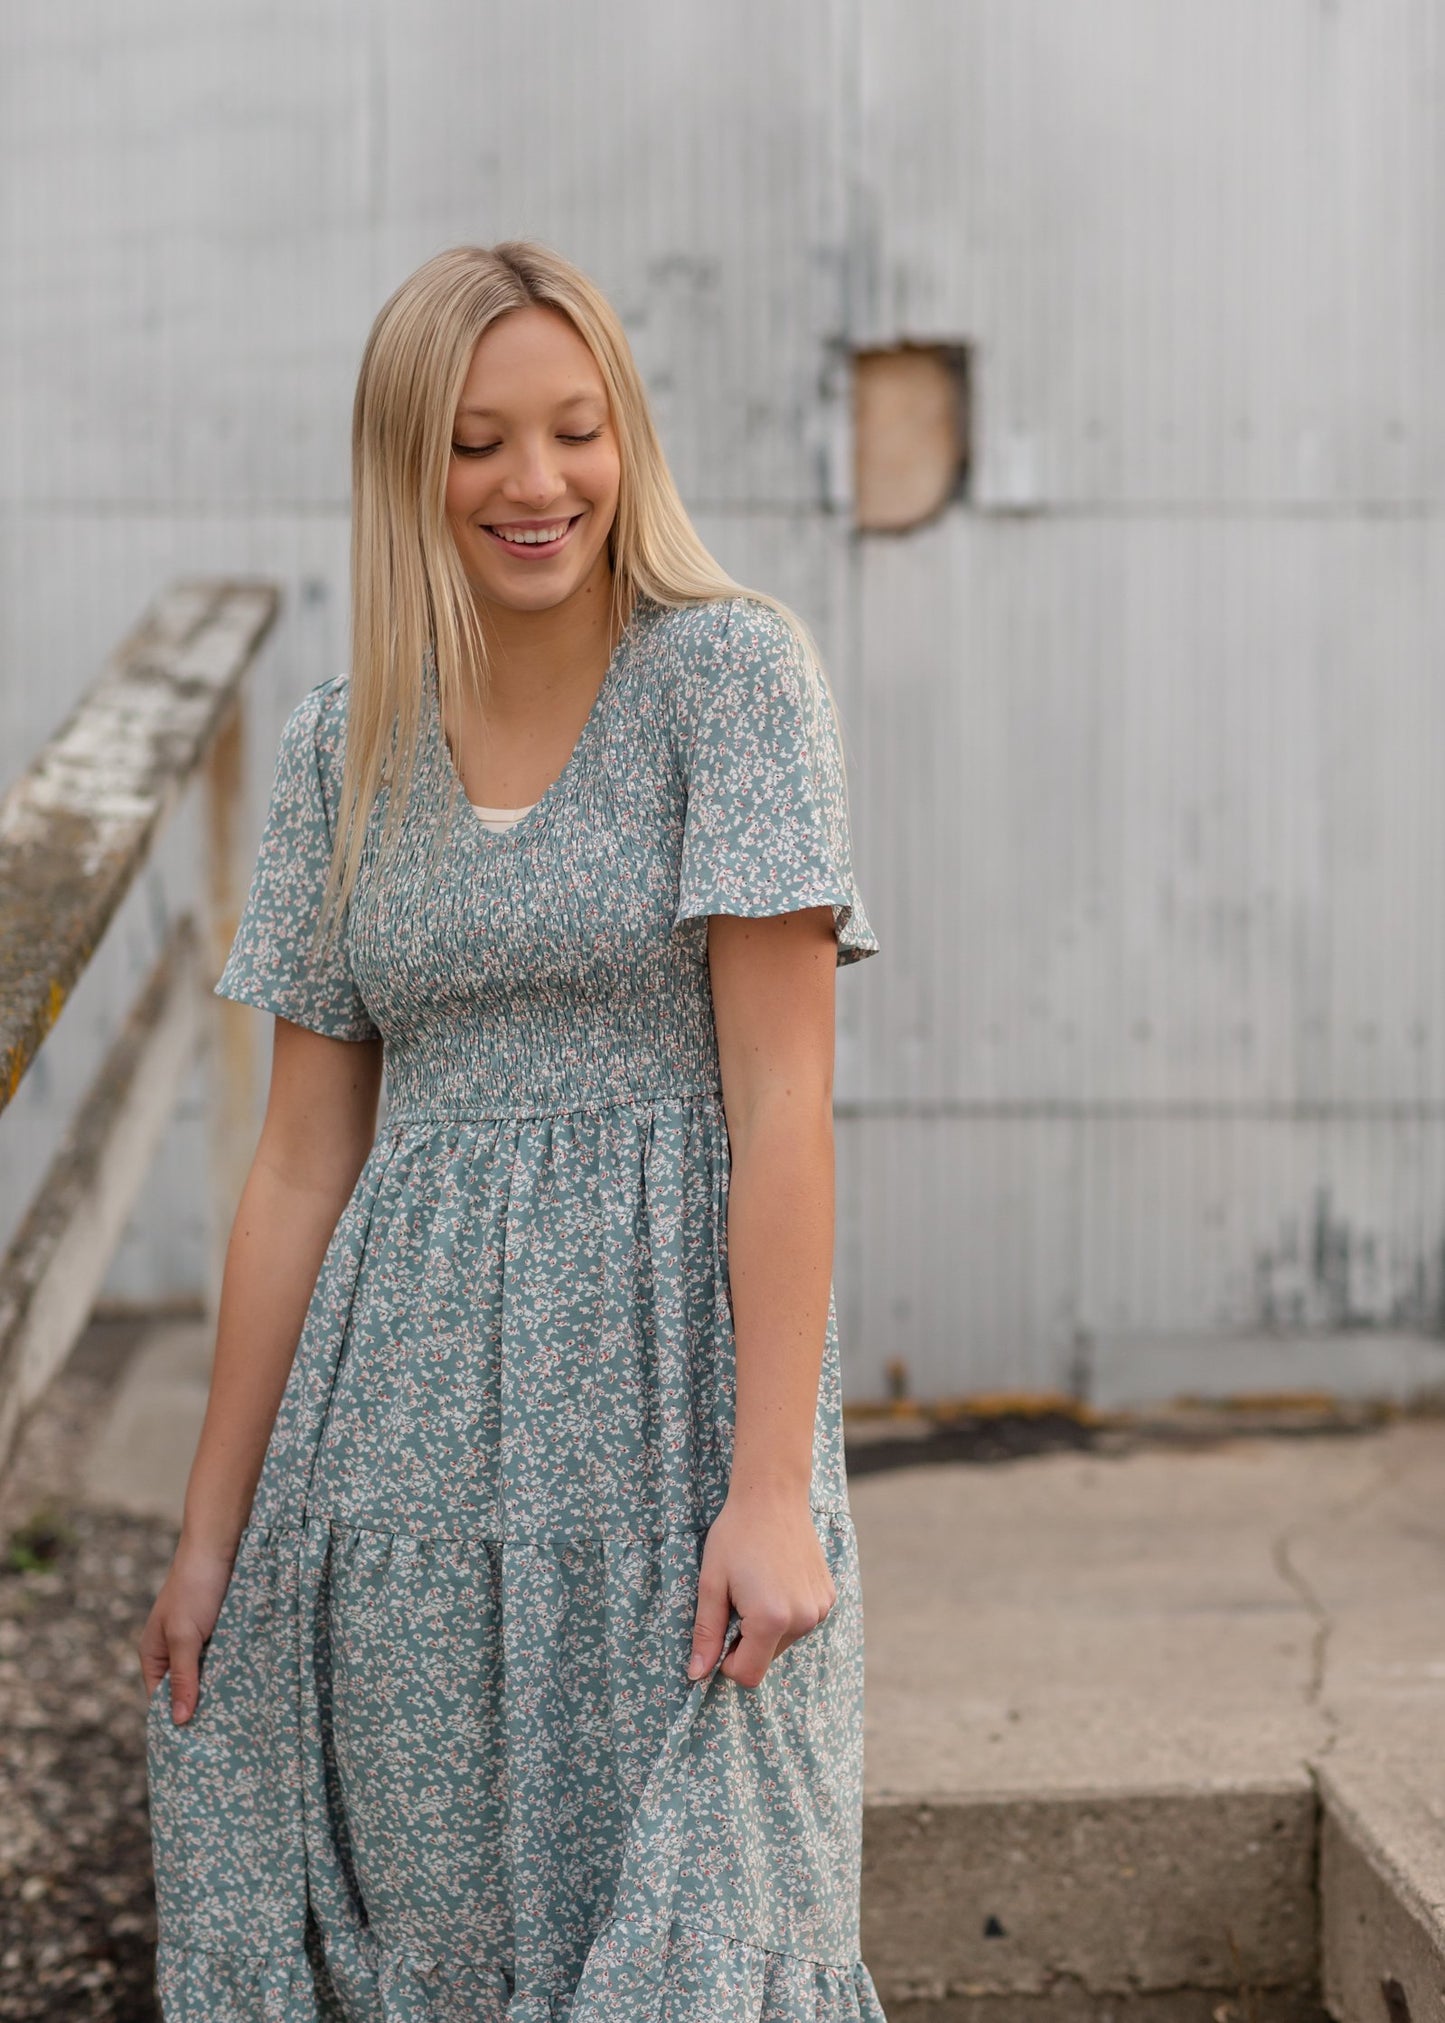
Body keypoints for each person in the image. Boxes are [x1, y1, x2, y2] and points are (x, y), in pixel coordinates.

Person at [139, 239, 886, 2023]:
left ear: (625, 439)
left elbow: (785, 1102)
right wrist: (209, 1535)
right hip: (388, 1458)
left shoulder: (733, 682)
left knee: (708, 1928)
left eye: (574, 430)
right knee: (439, 1956)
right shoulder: (343, 750)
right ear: (409, 463)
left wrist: (772, 1492)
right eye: (477, 442)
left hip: (669, 1432)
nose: (534, 484)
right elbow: (300, 1162)